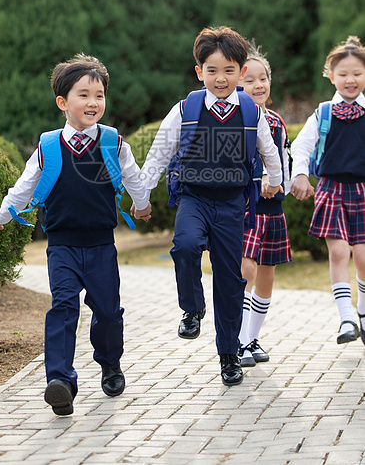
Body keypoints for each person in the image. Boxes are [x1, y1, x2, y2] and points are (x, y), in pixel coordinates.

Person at [0, 54, 152, 415]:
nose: (93, 102)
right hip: (62, 246)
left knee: (109, 312)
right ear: (63, 102)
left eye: (99, 95)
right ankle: (61, 381)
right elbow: (25, 186)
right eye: (83, 95)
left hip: (100, 246)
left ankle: (110, 363)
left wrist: (141, 205)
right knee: (63, 307)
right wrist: (3, 215)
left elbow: (134, 178)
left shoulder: (113, 143)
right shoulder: (49, 147)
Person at [137, 26, 282, 387]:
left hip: (233, 203)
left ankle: (228, 354)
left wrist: (275, 180)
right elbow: (159, 153)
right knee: (184, 247)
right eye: (212, 70)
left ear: (242, 71)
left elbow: (269, 151)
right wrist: (141, 198)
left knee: (231, 280)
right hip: (193, 197)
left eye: (229, 70)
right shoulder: (185, 108)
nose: (221, 78)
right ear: (199, 71)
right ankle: (192, 307)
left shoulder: (251, 110)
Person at [291, 35, 365, 347]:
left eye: (358, 73)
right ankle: (346, 316)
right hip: (331, 189)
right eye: (344, 74)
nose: (351, 80)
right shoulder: (323, 113)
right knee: (338, 252)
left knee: (363, 256)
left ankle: (362, 311)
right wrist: (300, 175)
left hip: (363, 190)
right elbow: (302, 146)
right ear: (331, 76)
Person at [237, 44, 292, 367]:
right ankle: (239, 340)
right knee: (246, 270)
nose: (258, 85)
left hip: (274, 207)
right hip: (246, 206)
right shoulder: (235, 120)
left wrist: (281, 181)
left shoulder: (277, 122)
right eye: (249, 80)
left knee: (267, 275)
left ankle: (252, 338)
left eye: (263, 78)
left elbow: (281, 159)